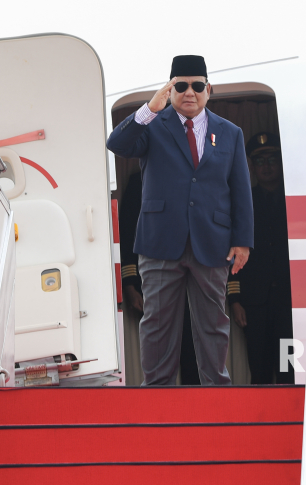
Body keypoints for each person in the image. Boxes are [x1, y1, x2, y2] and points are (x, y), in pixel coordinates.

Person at [106, 55, 253, 386]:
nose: (190, 92)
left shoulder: (229, 133)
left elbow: (240, 190)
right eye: (180, 86)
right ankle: (155, 391)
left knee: (213, 322)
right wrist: (149, 109)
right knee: (157, 322)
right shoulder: (152, 126)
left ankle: (217, 389)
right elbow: (117, 143)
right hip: (160, 242)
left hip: (212, 241)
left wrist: (242, 240)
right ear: (169, 89)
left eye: (197, 85)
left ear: (208, 89)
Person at [118, 171, 200, 385]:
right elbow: (128, 234)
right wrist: (130, 284)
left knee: (195, 353)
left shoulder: (195, 173)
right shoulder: (140, 180)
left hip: (194, 278)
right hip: (156, 279)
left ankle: (197, 411)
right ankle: (164, 411)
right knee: (160, 354)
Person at [227, 133, 295, 384]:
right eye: (259, 161)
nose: (266, 166)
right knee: (260, 371)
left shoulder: (294, 200)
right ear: (252, 166)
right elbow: (231, 254)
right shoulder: (243, 203)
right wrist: (234, 299)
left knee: (290, 370)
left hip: (289, 303)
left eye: (272, 159)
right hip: (253, 304)